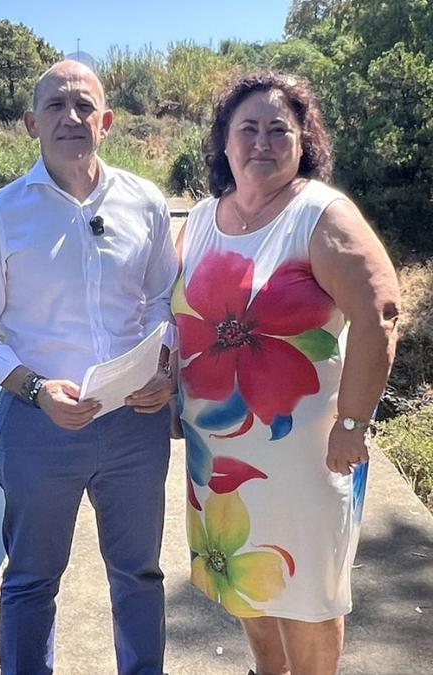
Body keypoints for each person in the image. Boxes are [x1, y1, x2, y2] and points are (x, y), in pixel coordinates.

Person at [0, 60, 177, 675]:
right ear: (31, 123)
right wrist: (35, 388)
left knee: (139, 574)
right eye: (54, 106)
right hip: (38, 428)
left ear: (106, 121)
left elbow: (163, 301)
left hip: (135, 424)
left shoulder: (146, 203)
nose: (70, 118)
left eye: (83, 107)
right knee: (31, 580)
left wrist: (165, 366)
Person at [174, 72, 400, 675]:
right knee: (247, 572)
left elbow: (379, 313)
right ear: (224, 142)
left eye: (280, 129)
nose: (263, 142)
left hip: (309, 451)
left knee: (310, 593)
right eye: (247, 128)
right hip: (218, 451)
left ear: (304, 142)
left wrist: (352, 422)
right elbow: (169, 317)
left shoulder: (319, 214)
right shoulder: (198, 219)